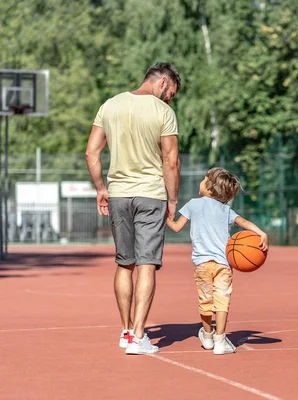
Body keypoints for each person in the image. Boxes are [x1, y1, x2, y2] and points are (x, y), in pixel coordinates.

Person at [85, 62, 181, 355]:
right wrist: (173, 199)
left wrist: (101, 188)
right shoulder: (163, 112)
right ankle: (140, 336)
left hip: (118, 195)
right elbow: (171, 160)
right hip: (151, 195)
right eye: (171, 93)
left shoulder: (110, 105)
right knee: (146, 263)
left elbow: (92, 152)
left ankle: (127, 332)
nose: (169, 99)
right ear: (163, 82)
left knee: (124, 263)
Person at [166, 167, 268, 355]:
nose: (200, 182)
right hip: (223, 264)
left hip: (202, 264)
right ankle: (220, 340)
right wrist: (261, 233)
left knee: (205, 301)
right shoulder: (226, 210)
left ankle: (207, 336)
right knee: (222, 301)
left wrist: (164, 213)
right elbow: (244, 223)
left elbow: (175, 227)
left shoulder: (193, 205)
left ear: (209, 187)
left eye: (203, 179)